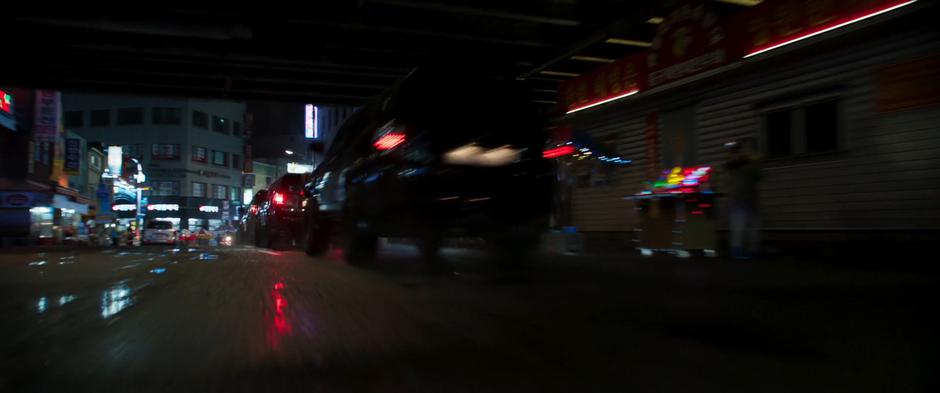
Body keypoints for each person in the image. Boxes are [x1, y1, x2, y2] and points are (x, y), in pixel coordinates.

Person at [724, 138, 762, 259]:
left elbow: (758, 176)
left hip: (750, 199)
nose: (733, 153)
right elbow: (732, 165)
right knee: (738, 227)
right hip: (738, 200)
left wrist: (751, 161)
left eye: (735, 151)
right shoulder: (733, 164)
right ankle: (737, 251)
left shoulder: (749, 164)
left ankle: (753, 250)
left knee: (752, 227)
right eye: (732, 151)